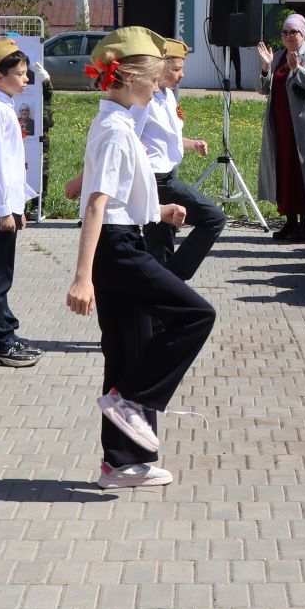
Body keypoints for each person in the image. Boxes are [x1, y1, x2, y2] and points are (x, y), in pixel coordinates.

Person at [65, 28, 216, 488]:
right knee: (195, 315)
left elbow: (120, 193)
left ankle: (121, 463)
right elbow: (96, 203)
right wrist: (82, 276)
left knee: (127, 350)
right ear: (130, 78)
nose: (158, 87)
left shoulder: (120, 123)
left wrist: (159, 210)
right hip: (117, 247)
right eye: (152, 79)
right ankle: (131, 400)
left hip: (124, 237)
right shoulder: (114, 129)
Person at [0, 38, 41, 366]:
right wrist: (4, 210)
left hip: (7, 205)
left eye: (26, 73)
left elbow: (13, 167)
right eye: (20, 73)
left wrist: (19, 205)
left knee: (4, 272)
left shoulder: (5, 108)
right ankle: (0, 340)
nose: (26, 79)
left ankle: (7, 331)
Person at [138, 39, 224, 282]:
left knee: (159, 249)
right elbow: (130, 134)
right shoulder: (145, 98)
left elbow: (166, 137)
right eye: (175, 69)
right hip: (157, 179)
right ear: (158, 66)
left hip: (167, 175)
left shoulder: (166, 95)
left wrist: (192, 142)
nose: (181, 75)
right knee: (214, 218)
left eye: (181, 68)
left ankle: (161, 297)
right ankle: (172, 280)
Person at [256, 15, 305, 242]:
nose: (288, 36)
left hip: (304, 129)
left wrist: (297, 69)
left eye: (293, 32)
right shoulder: (277, 56)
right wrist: (266, 67)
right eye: (285, 32)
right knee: (284, 172)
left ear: (303, 34)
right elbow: (263, 89)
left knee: (303, 175)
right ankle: (289, 223)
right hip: (280, 127)